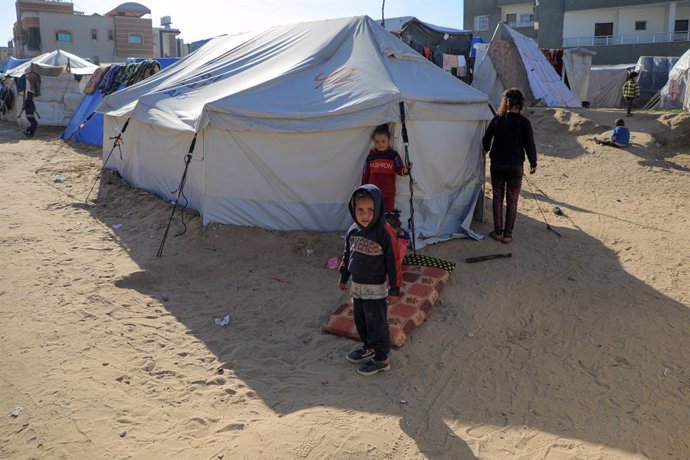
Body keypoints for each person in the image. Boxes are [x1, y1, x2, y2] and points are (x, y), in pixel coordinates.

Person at [338, 184, 400, 376]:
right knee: (361, 320)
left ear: (379, 208)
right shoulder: (353, 231)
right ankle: (369, 347)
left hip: (376, 288)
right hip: (357, 286)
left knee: (377, 322)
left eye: (370, 210)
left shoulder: (384, 232)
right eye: (360, 210)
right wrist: (343, 276)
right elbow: (348, 254)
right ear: (353, 209)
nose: (365, 215)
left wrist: (395, 289)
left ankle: (382, 358)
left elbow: (394, 261)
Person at [482, 88, 537, 244]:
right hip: (515, 166)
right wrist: (533, 163)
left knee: (498, 198)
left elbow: (486, 138)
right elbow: (530, 145)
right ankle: (507, 235)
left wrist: (486, 149)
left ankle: (497, 232)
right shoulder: (524, 123)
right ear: (520, 104)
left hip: (498, 164)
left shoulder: (498, 119)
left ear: (506, 103)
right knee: (512, 200)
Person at [361, 124, 409, 213]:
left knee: (388, 213)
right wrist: (363, 189)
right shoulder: (370, 157)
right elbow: (365, 174)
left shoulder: (393, 155)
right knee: (373, 212)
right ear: (374, 142)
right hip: (373, 193)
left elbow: (400, 169)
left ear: (388, 141)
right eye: (377, 142)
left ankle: (387, 227)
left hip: (388, 193)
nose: (380, 144)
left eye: (383, 141)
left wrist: (406, 170)